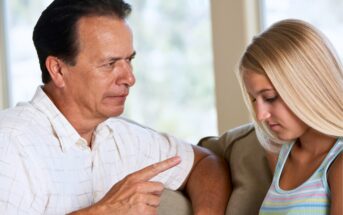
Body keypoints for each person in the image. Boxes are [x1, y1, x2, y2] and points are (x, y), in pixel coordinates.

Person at [0, 0, 231, 214]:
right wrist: (105, 211)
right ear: (58, 70)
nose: (129, 78)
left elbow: (206, 163)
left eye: (129, 60)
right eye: (110, 64)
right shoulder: (10, 143)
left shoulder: (122, 137)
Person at [237, 19, 343, 214]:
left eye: (270, 97)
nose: (260, 115)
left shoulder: (338, 162)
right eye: (254, 99)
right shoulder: (281, 154)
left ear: (310, 86)